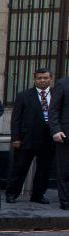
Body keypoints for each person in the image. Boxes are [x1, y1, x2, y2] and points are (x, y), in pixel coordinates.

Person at [7, 68, 55, 204]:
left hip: (49, 138)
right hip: (26, 138)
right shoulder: (24, 95)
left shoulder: (57, 94)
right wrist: (15, 138)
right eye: (39, 78)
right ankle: (12, 193)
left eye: (45, 78)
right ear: (34, 79)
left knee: (44, 169)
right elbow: (16, 118)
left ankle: (38, 195)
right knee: (20, 167)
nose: (42, 80)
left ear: (50, 79)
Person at [50, 76, 69, 210]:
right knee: (65, 169)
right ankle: (65, 200)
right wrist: (56, 130)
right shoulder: (62, 84)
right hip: (65, 134)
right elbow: (53, 109)